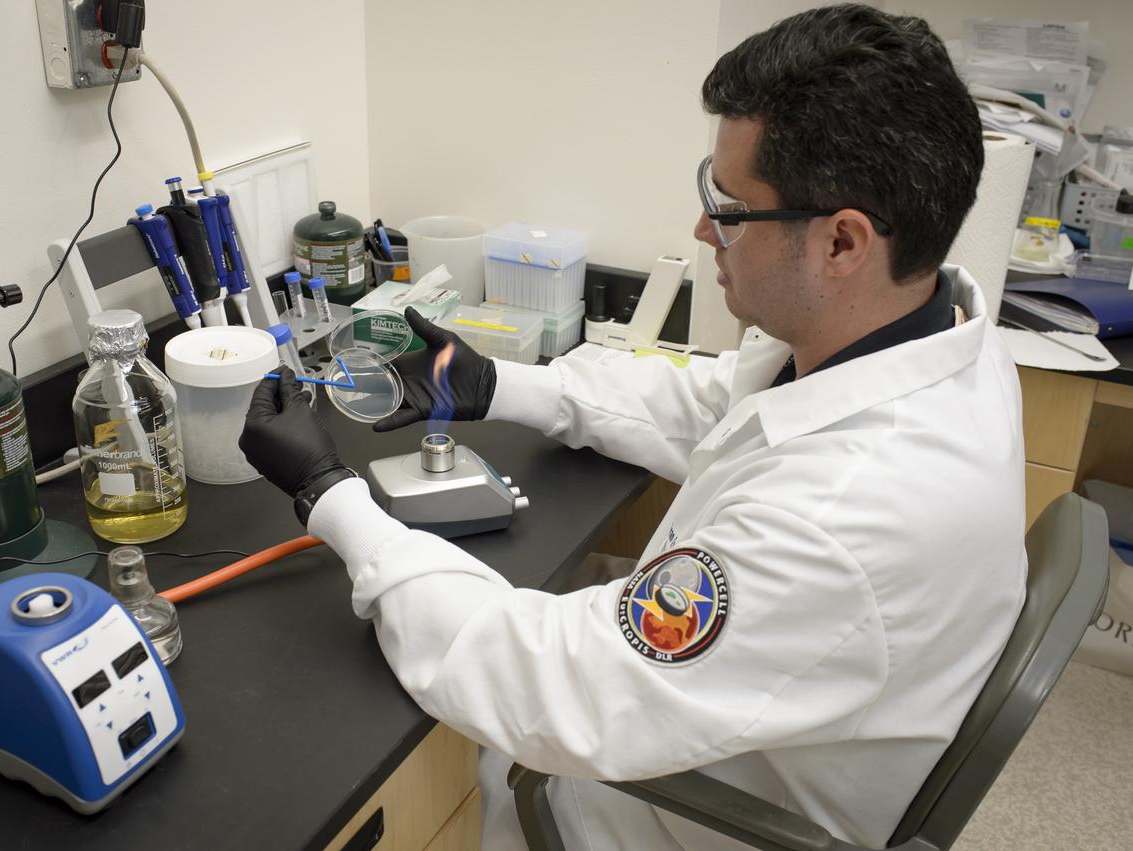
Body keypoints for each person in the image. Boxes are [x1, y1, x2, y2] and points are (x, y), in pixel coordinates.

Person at [239, 5, 1027, 849]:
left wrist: (332, 497)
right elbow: (718, 405)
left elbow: (543, 687)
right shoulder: (940, 336)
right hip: (768, 712)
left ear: (842, 243)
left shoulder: (839, 520)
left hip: (666, 817)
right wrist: (498, 382)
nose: (702, 229)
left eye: (731, 207)